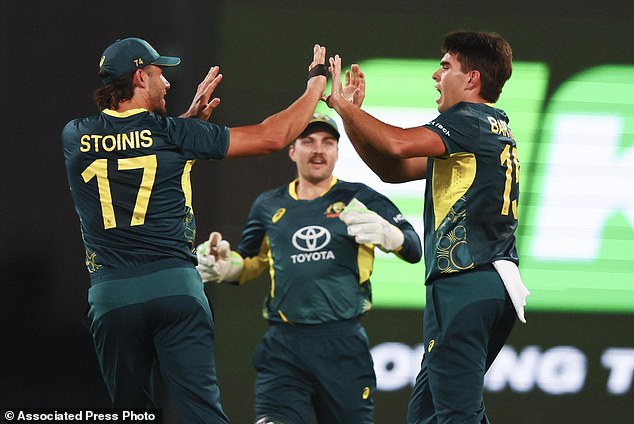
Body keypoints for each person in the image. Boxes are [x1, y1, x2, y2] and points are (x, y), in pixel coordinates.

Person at [61, 37, 328, 423]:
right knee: (203, 415)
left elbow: (129, 145)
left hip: (112, 296)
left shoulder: (74, 135)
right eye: (158, 74)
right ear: (139, 77)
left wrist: (183, 123)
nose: (166, 83)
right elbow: (274, 136)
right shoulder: (175, 135)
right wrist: (315, 87)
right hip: (175, 289)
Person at [325, 30, 530, 423]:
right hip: (491, 283)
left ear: (471, 79)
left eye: (446, 66)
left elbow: (398, 143)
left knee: (455, 415)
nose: (436, 77)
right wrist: (349, 118)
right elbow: (392, 169)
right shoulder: (492, 126)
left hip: (463, 282)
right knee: (429, 413)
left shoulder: (465, 121)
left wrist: (343, 106)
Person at [195, 113, 422, 424]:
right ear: (292, 150)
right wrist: (223, 267)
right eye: (308, 141)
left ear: (338, 152)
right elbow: (248, 263)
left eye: (328, 142)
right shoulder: (269, 204)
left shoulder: (359, 197)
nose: (318, 150)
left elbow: (414, 248)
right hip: (284, 348)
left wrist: (389, 235)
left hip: (343, 346)